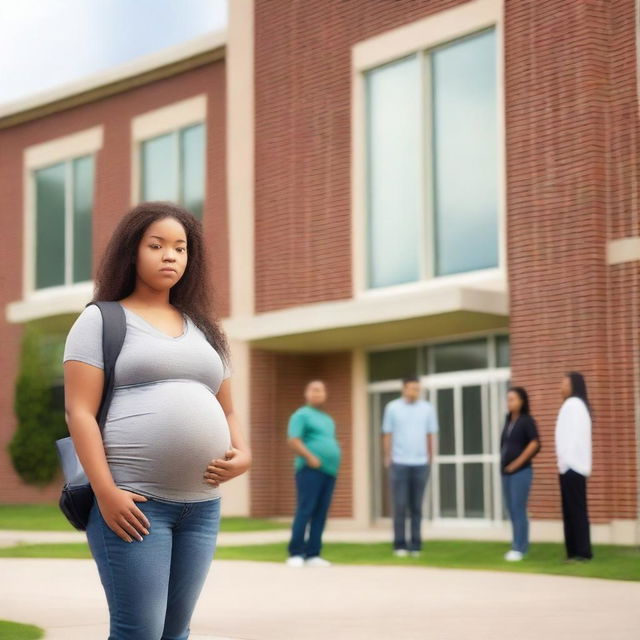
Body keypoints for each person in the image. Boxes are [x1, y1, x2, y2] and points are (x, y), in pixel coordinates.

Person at [62, 202, 251, 639]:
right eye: (157, 245)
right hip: (134, 504)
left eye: (181, 248)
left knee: (175, 631)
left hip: (202, 507)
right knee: (139, 632)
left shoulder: (204, 328)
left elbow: (227, 408)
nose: (170, 256)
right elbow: (80, 412)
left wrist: (245, 453)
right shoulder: (101, 319)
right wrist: (106, 493)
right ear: (132, 252)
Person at [286, 380, 342, 567]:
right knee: (305, 509)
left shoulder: (327, 419)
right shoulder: (301, 415)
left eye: (321, 390)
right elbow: (294, 440)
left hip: (329, 471)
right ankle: (296, 553)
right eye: (314, 390)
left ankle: (313, 554)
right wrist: (310, 457)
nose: (318, 393)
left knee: (321, 512)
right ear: (307, 393)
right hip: (309, 469)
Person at [382, 377, 438, 557]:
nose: (415, 392)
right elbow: (387, 434)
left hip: (420, 464)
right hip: (399, 463)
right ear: (404, 389)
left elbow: (430, 434)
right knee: (399, 505)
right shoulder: (392, 408)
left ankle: (415, 545)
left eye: (418, 389)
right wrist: (387, 456)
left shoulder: (427, 408)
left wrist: (430, 457)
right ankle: (399, 544)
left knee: (416, 506)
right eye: (412, 388)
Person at [555, 371, 593, 561]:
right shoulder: (576, 405)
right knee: (573, 511)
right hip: (571, 465)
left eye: (564, 383)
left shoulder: (573, 405)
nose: (561, 387)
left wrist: (566, 462)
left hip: (572, 466)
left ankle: (581, 552)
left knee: (575, 511)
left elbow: (572, 438)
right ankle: (574, 552)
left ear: (573, 386)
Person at [500, 387, 541, 561]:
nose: (509, 402)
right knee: (511, 509)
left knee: (519, 509)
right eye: (508, 399)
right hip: (506, 473)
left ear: (522, 401)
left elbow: (534, 444)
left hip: (521, 472)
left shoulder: (526, 421)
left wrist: (517, 463)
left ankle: (520, 548)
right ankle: (516, 544)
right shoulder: (509, 421)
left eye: (513, 399)